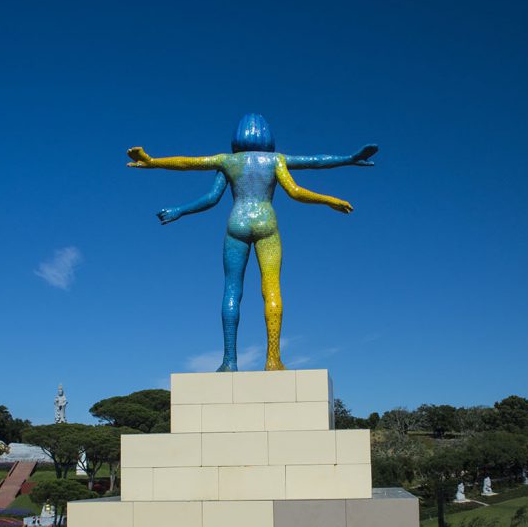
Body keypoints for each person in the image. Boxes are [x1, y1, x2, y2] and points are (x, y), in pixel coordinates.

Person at [127, 113, 378, 372]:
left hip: (237, 224)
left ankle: (229, 362)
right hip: (266, 226)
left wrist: (157, 169)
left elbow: (194, 170)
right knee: (271, 290)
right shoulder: (276, 160)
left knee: (232, 291)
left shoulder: (227, 161)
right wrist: (337, 184)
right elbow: (306, 174)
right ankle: (273, 359)